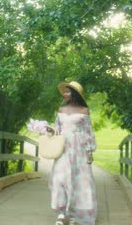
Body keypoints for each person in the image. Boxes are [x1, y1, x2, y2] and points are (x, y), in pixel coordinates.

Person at [49, 81, 97, 225]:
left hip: (79, 148)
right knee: (59, 178)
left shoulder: (84, 111)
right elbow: (56, 129)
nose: (64, 94)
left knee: (79, 180)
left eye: (68, 91)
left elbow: (89, 132)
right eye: (64, 91)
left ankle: (75, 214)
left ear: (75, 94)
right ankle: (62, 213)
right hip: (63, 147)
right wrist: (47, 130)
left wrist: (89, 151)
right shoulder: (61, 110)